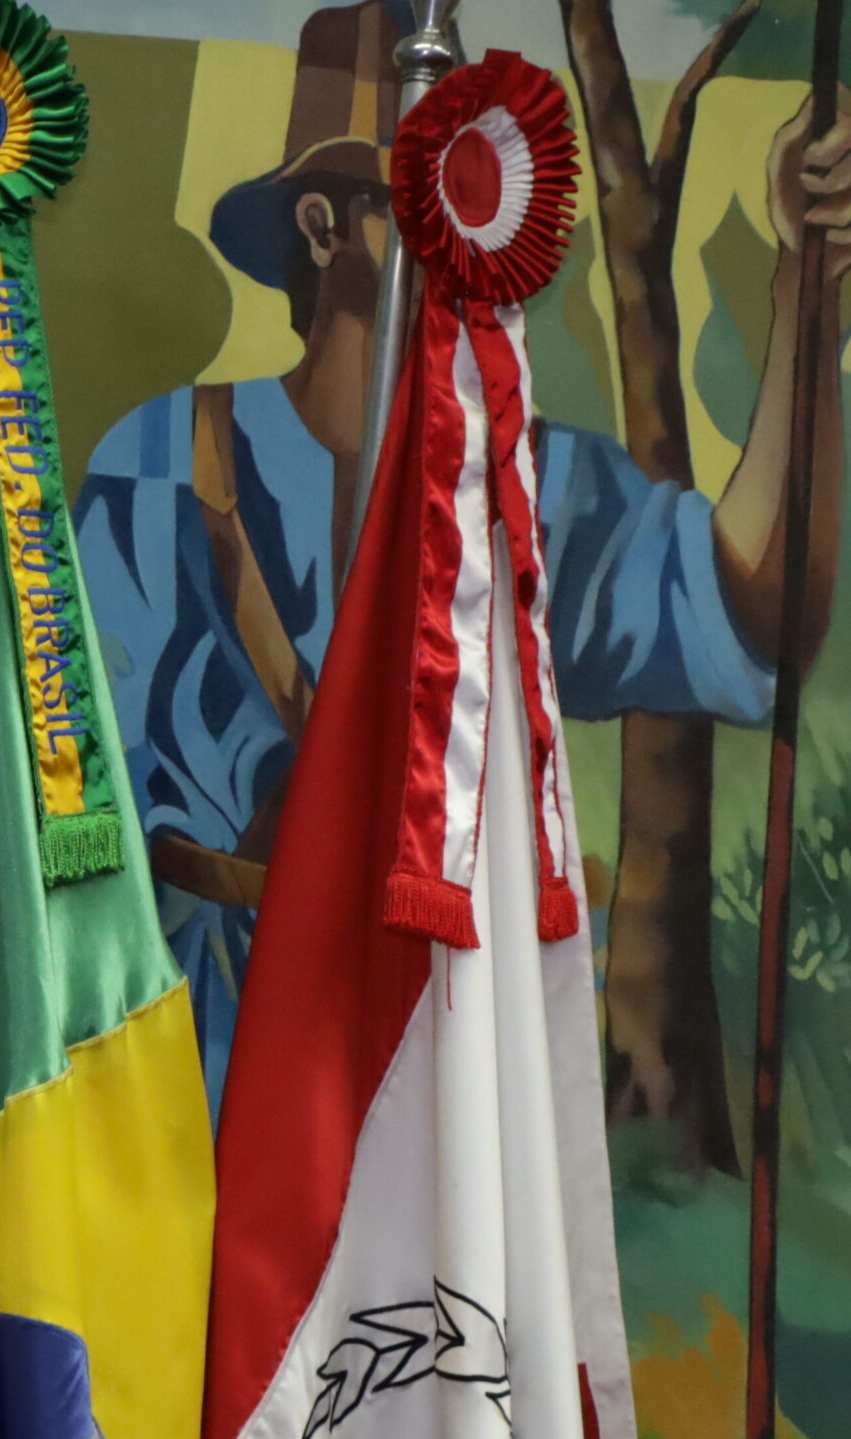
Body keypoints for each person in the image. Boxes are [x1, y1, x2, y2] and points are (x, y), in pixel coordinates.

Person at [73, 0, 847, 1119]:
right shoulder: (153, 461)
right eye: (419, 203)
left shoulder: (525, 483)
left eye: (471, 200)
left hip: (445, 1091)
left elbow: (755, 610)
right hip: (194, 1088)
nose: (453, 238)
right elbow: (96, 804)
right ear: (324, 227)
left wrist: (803, 296)